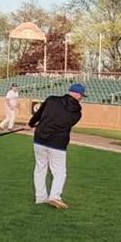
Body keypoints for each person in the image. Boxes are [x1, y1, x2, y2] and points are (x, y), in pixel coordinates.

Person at [29, 82, 86, 210]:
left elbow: (39, 115)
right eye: (82, 95)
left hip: (40, 139)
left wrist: (32, 124)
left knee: (40, 169)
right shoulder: (77, 113)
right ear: (78, 95)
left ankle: (40, 198)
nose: (81, 98)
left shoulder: (51, 100)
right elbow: (61, 123)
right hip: (58, 144)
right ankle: (54, 196)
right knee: (59, 172)